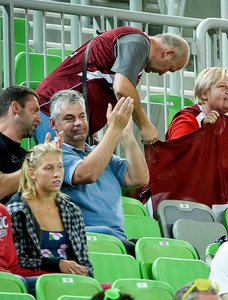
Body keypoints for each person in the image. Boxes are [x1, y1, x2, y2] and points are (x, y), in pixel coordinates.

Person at [35, 26, 190, 144]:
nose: (163, 74)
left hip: (73, 124)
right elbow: (121, 88)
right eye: (169, 68)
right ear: (167, 53)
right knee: (58, 179)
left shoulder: (137, 55)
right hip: (51, 112)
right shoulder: (138, 42)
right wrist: (145, 125)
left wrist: (91, 128)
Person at [49, 90, 149, 255]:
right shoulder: (54, 152)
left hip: (117, 240)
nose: (78, 123)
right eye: (69, 118)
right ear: (53, 124)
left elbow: (139, 178)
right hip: (86, 239)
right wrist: (114, 129)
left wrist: (126, 134)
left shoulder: (101, 152)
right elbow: (87, 174)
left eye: (82, 116)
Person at [7, 143, 92, 277]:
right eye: (49, 168)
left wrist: (86, 276)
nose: (57, 174)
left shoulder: (72, 211)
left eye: (60, 167)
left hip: (71, 281)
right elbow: (17, 262)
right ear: (32, 173)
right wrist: (57, 264)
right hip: (35, 281)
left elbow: (85, 262)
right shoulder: (17, 211)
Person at [165, 67, 228, 140]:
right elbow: (179, 151)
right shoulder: (186, 119)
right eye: (222, 86)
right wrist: (203, 131)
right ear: (204, 94)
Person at [0, 202, 47, 295]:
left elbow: (12, 265)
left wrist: (50, 276)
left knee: (49, 283)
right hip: (6, 280)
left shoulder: (2, 211)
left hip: (8, 277)